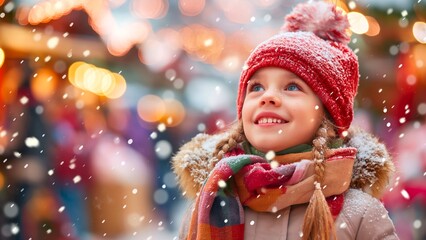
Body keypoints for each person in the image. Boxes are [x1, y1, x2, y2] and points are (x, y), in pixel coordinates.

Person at [172, 1, 399, 240]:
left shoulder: (359, 215)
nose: (268, 96)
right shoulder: (209, 206)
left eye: (292, 86)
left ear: (327, 114)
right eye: (256, 87)